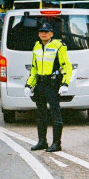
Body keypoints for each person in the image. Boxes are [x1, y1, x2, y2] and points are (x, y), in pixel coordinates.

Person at [24, 22, 72, 152]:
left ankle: (56, 144)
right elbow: (34, 68)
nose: (43, 33)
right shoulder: (37, 46)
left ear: (51, 33)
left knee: (55, 112)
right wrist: (29, 84)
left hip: (53, 83)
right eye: (41, 31)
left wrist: (65, 83)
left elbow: (67, 66)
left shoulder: (58, 46)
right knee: (40, 113)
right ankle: (42, 142)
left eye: (46, 31)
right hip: (40, 84)